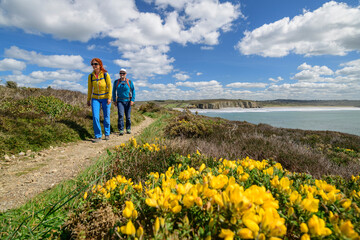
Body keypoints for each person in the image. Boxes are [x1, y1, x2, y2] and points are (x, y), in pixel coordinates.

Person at [87, 58, 112, 143]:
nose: (94, 66)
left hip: (105, 98)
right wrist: (88, 99)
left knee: (106, 116)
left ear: (100, 65)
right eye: (92, 64)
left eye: (95, 64)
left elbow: (109, 86)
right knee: (95, 117)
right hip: (95, 98)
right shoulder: (90, 76)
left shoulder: (105, 74)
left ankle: (107, 133)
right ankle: (98, 136)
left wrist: (109, 97)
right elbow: (90, 89)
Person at [112, 68, 135, 135]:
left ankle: (128, 128)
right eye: (121, 73)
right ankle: (121, 129)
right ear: (119, 74)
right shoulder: (116, 82)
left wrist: (132, 100)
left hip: (128, 101)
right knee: (121, 115)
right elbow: (114, 91)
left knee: (128, 116)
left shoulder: (129, 82)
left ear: (126, 74)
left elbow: (133, 91)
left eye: (123, 73)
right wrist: (114, 100)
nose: (122, 74)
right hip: (120, 101)